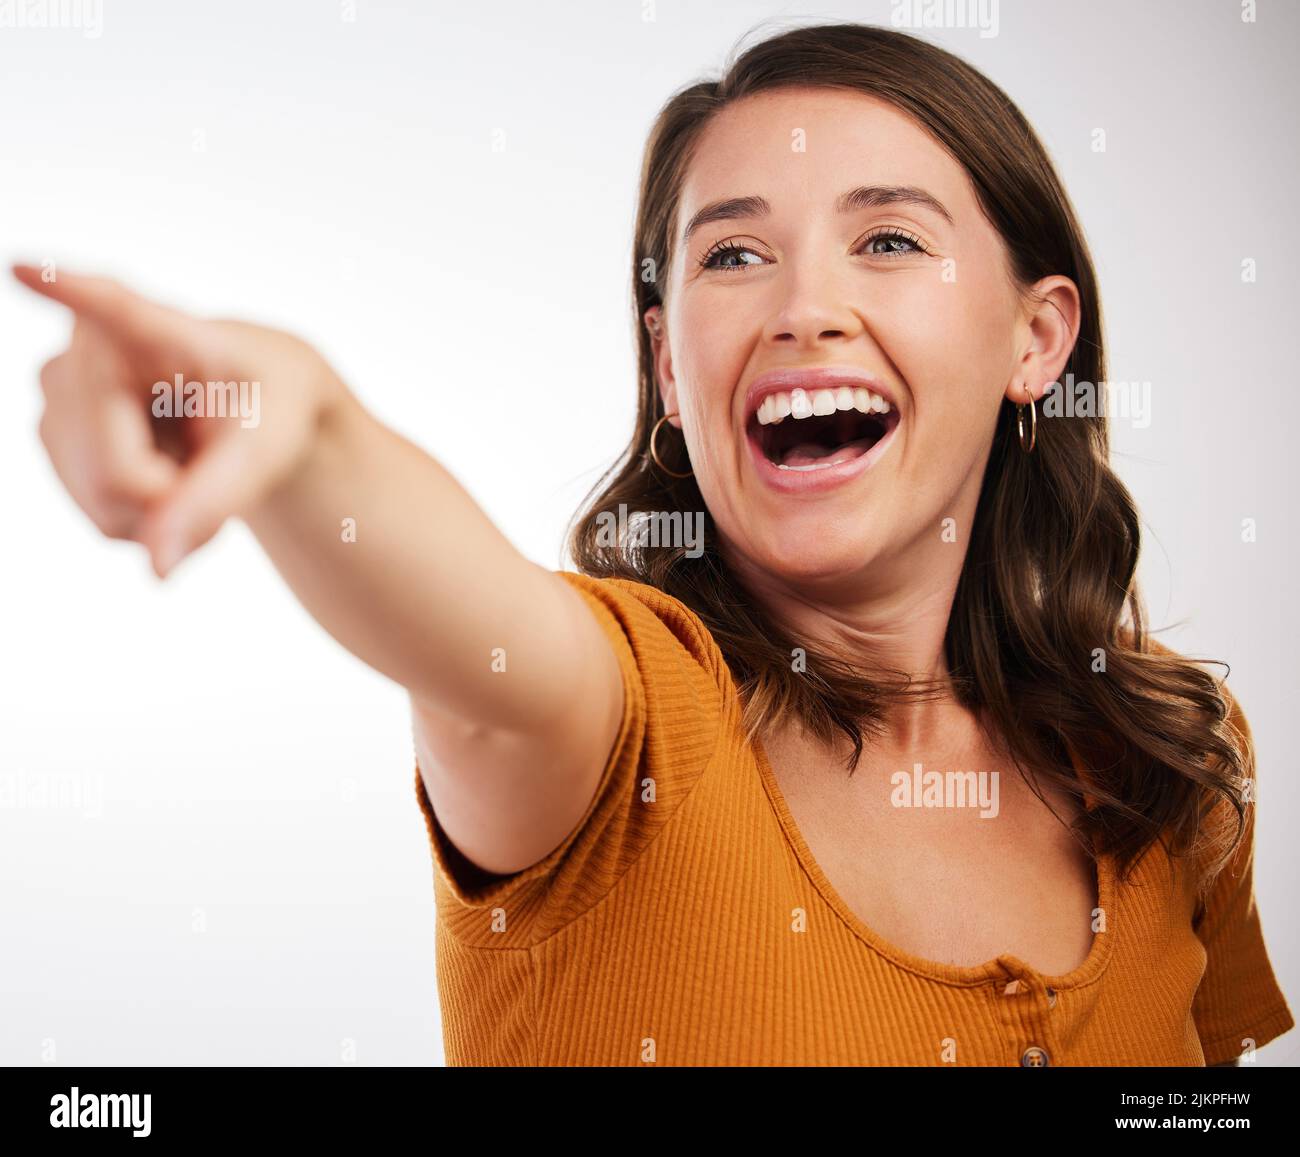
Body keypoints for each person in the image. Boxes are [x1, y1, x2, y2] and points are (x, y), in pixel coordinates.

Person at [15, 22, 1292, 1067]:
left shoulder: (1168, 757)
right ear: (667, 363)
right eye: (733, 252)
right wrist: (298, 427)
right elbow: (485, 640)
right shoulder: (616, 732)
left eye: (888, 239)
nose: (804, 307)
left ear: (1037, 338)